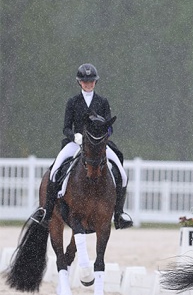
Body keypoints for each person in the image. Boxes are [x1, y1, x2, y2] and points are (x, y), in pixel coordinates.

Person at [32, 63, 133, 230]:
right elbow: (65, 128)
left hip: (98, 145)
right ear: (80, 82)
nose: (88, 84)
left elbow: (109, 126)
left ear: (95, 82)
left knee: (122, 174)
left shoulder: (102, 101)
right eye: (85, 81)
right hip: (76, 143)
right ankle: (47, 211)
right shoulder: (73, 102)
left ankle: (119, 214)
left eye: (91, 81)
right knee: (55, 170)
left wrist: (103, 135)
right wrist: (75, 136)